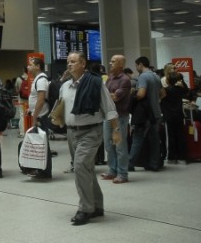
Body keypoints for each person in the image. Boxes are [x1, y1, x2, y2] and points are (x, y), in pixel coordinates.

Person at [60, 51, 120, 226]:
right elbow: (61, 106)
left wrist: (116, 129)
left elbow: (109, 107)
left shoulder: (95, 83)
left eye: (73, 61)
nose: (69, 64)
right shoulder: (65, 86)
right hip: (72, 132)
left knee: (80, 166)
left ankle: (85, 209)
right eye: (68, 62)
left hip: (90, 132)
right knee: (85, 168)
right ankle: (97, 205)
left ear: (83, 64)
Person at [100, 55, 132, 184]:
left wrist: (107, 96)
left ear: (121, 64)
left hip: (120, 117)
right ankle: (112, 171)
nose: (110, 63)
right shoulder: (110, 78)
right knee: (108, 145)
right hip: (108, 116)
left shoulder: (125, 80)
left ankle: (122, 173)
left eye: (113, 61)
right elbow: (106, 96)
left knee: (120, 145)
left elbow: (114, 97)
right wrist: (107, 96)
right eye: (110, 61)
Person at [129, 56, 163, 172]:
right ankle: (154, 163)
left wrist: (134, 93)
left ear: (141, 64)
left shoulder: (143, 77)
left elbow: (141, 94)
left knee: (137, 138)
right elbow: (163, 94)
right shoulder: (156, 76)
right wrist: (155, 101)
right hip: (157, 113)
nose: (136, 68)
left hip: (145, 114)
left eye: (136, 65)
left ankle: (130, 163)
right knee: (154, 140)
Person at [26, 57, 52, 178]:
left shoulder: (41, 80)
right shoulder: (37, 79)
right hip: (38, 114)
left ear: (38, 66)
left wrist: (35, 116)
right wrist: (30, 109)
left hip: (41, 116)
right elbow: (36, 98)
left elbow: (41, 100)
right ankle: (39, 169)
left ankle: (44, 171)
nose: (28, 67)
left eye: (31, 65)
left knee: (42, 144)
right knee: (39, 144)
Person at [162, 72, 187, 164]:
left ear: (168, 80)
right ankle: (182, 157)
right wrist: (182, 82)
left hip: (168, 116)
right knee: (181, 136)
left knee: (170, 137)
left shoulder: (166, 90)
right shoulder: (181, 90)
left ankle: (171, 157)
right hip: (179, 115)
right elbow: (187, 90)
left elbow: (160, 98)